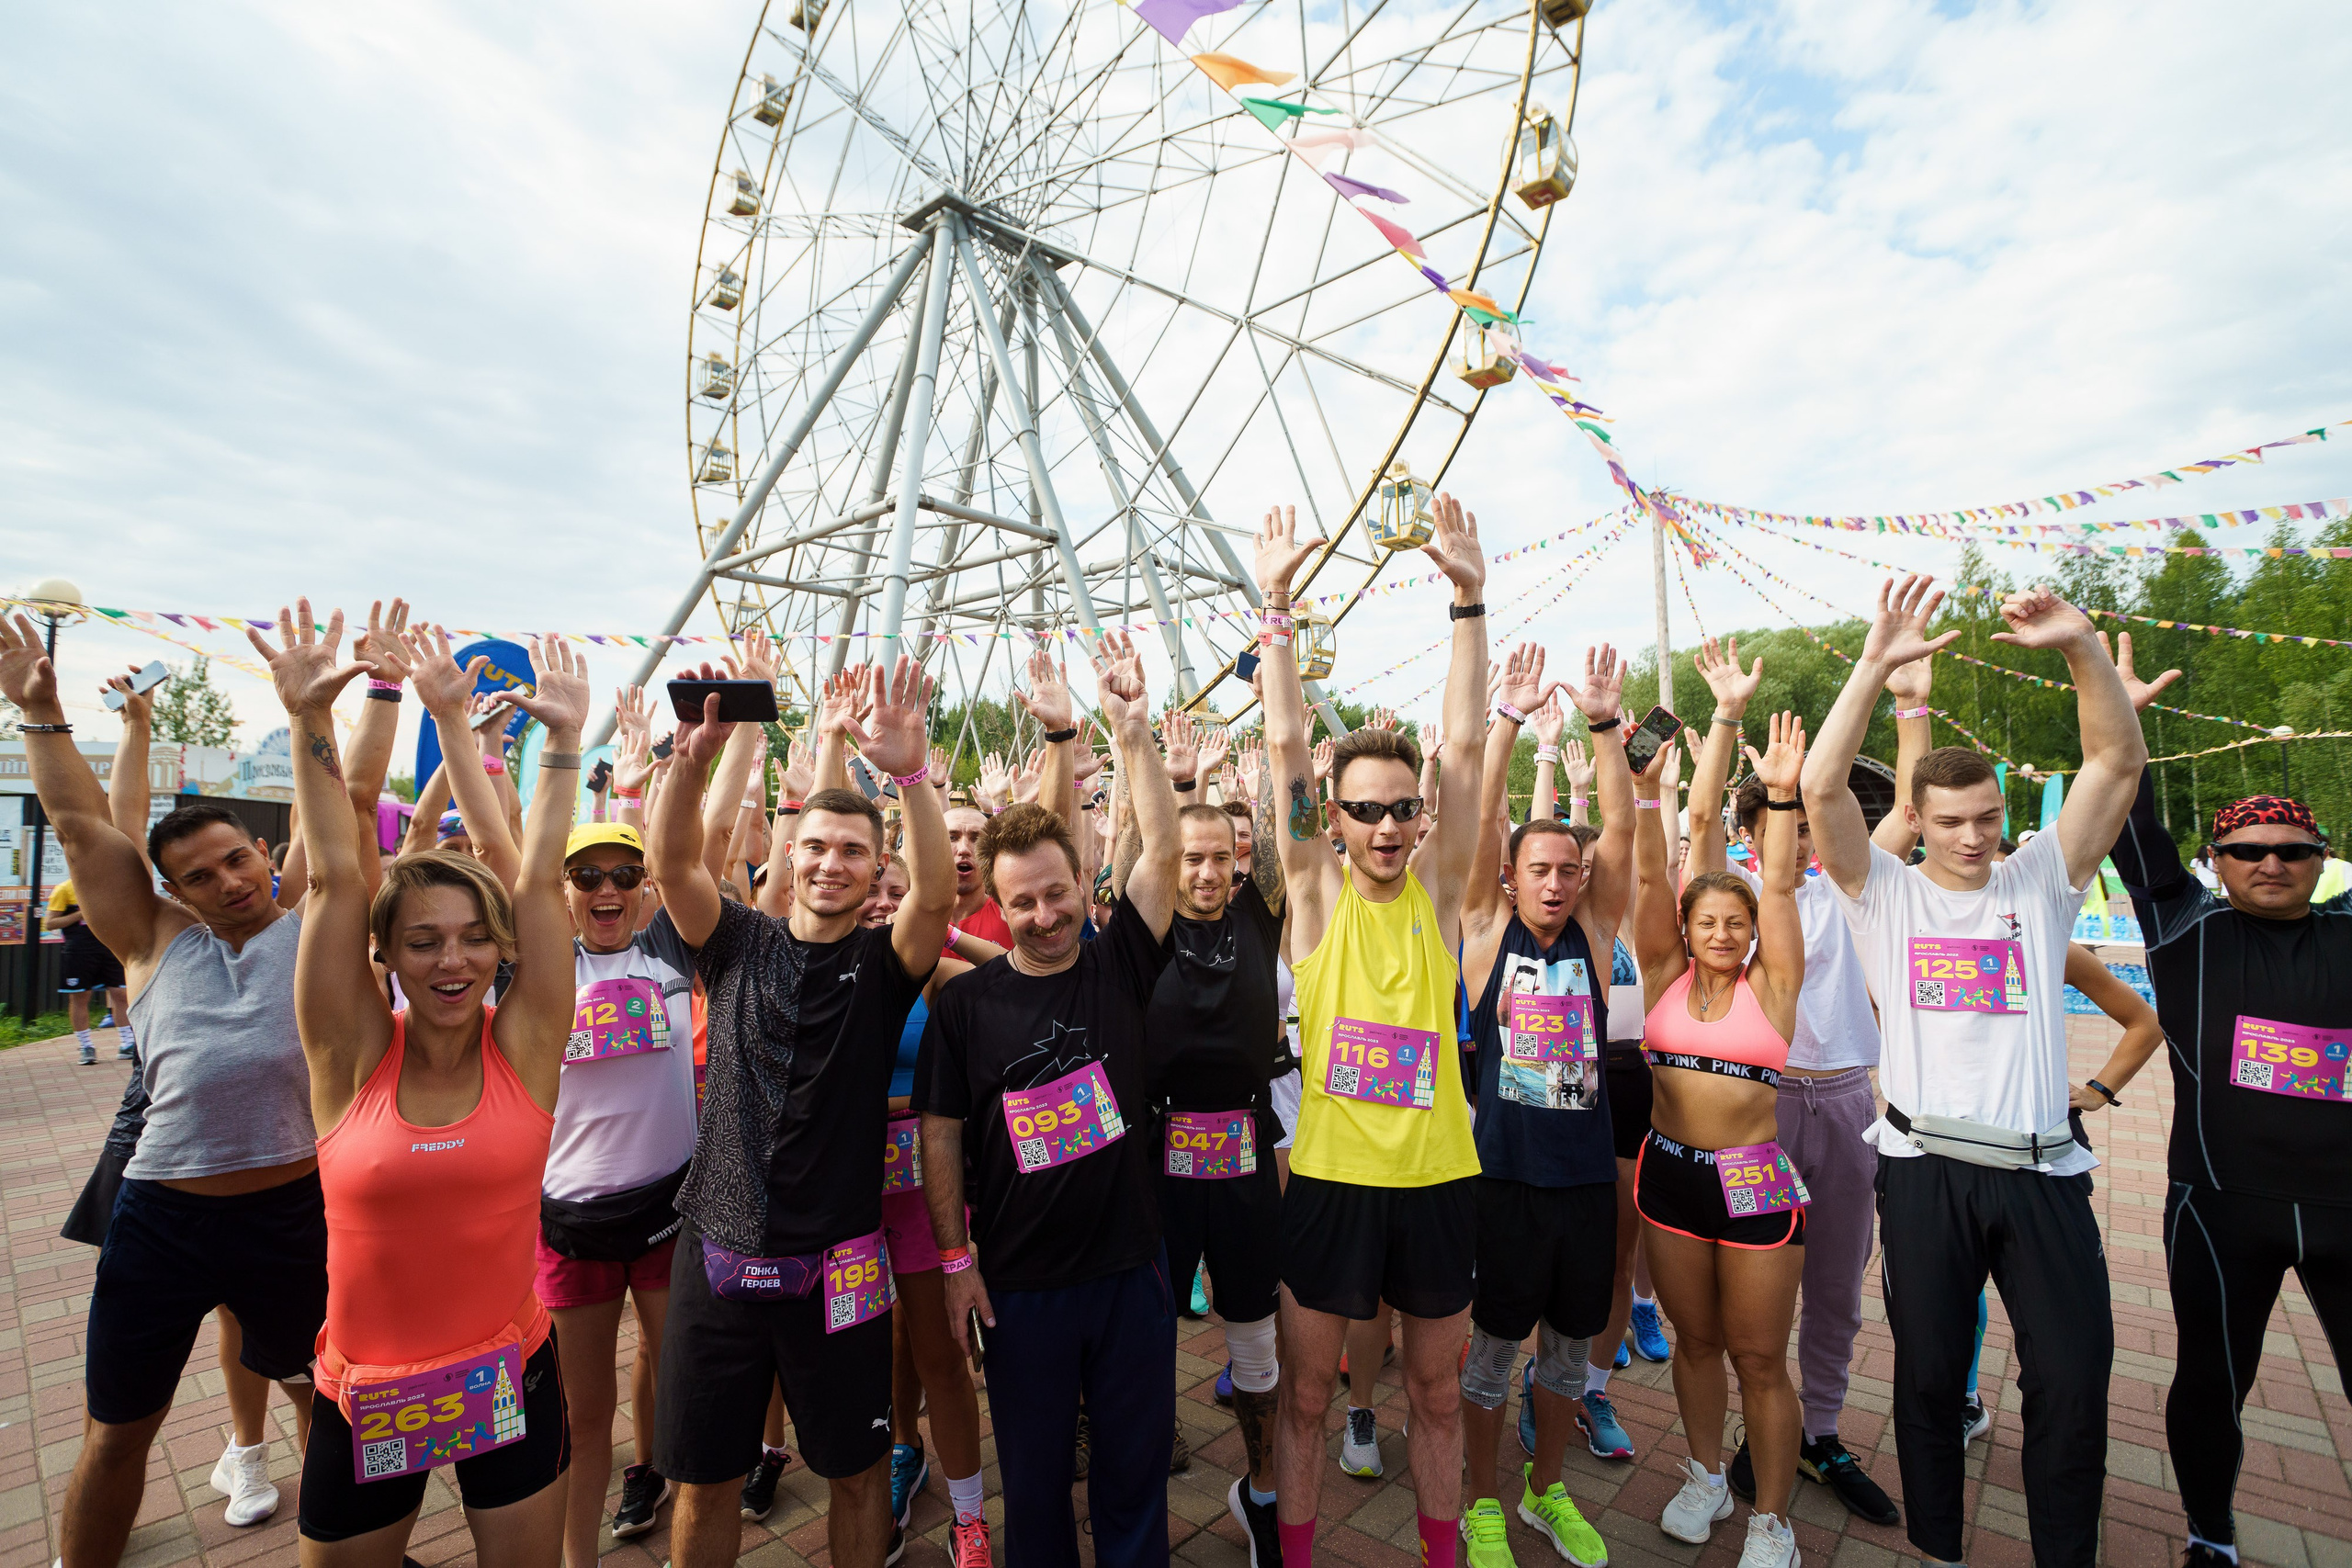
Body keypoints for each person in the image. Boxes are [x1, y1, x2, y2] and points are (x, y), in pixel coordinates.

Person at [1, 609, 394, 1566]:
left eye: (236, 859)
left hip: (294, 1217)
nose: (227, 881)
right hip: (162, 1220)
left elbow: (352, 801)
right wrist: (41, 714)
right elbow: (82, 827)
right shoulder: (152, 941)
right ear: (172, 891)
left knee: (328, 1409)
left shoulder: (311, 926)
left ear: (264, 851)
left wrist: (321, 709)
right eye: (200, 876)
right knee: (117, 1434)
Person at [1801, 575, 2143, 1568]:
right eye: (1950, 820)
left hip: (2041, 1173)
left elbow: (2115, 761)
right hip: (1923, 1172)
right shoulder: (1883, 894)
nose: (1972, 837)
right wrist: (1873, 665)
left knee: (2071, 1382)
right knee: (1927, 1379)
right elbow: (1820, 790)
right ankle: (1942, 1549)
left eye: (1987, 817)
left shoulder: (2040, 882)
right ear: (1916, 817)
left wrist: (2079, 645)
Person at [264, 612, 586, 1559]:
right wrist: (308, 720)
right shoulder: (350, 1057)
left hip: (509, 1375)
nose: (454, 961)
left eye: (475, 938)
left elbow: (539, 881)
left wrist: (563, 743)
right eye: (424, 941)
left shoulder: (525, 1047)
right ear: (388, 956)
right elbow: (334, 876)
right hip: (368, 1394)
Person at [647, 654, 952, 1568]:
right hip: (718, 1252)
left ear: (876, 869)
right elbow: (670, 862)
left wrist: (911, 776)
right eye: (815, 846)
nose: (830, 863)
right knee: (704, 1481)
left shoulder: (885, 967)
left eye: (853, 851)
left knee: (857, 1471)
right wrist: (692, 763)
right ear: (789, 854)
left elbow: (937, 895)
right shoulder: (735, 939)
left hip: (840, 1263)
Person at [913, 631, 1182, 1567]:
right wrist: (955, 1260)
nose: (1044, 915)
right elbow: (940, 1133)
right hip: (1020, 1286)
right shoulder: (967, 1005)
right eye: (1022, 903)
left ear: (1081, 883)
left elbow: (1161, 854)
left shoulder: (1119, 968)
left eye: (1057, 894)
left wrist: (1132, 728)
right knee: (1031, 1484)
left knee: (1132, 1471)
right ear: (998, 900)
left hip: (1129, 1270)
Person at [1260, 494, 1488, 1568]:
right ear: (1334, 819)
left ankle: (1443, 1555)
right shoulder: (1314, 895)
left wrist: (1468, 602)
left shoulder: (1438, 893)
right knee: (1307, 1396)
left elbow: (1467, 745)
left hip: (1438, 1182)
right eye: (1364, 810)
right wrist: (1275, 608)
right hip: (1330, 1184)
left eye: (1402, 808)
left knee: (1436, 1394)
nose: (1387, 826)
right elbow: (1284, 744)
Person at [2092, 635, 2352, 1568]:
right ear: (2217, 858)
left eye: (2291, 851)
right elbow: (2126, 819)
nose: (2270, 863)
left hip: (2344, 1207)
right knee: (2211, 1381)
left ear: (2320, 857)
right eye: (2247, 850)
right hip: (2218, 1206)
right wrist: (2118, 718)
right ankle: (2211, 1536)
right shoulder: (2182, 927)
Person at [1685, 637, 1914, 1529]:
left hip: (1849, 1102)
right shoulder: (1737, 900)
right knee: (1754, 1286)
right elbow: (1700, 821)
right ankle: (1763, 1425)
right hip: (1762, 1112)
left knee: (1837, 1285)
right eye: (1785, 822)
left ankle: (1818, 1431)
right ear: (1755, 835)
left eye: (1814, 821)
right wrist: (1725, 714)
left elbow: (1904, 814)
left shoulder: (1859, 889)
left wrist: (1909, 703)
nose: (1804, 836)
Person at [1453, 640, 1632, 1568]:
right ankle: (1481, 1502)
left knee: (1565, 1357)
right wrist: (1509, 721)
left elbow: (1623, 836)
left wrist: (1605, 725)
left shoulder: (1595, 938)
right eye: (1539, 869)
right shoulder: (1486, 934)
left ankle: (1545, 1489)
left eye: (1569, 869)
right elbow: (1480, 816)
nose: (1556, 882)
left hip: (1583, 1187)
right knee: (1490, 1357)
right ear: (1510, 876)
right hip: (1504, 1185)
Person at [1630, 712, 1812, 1568]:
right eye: (1706, 921)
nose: (1722, 934)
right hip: (1670, 1175)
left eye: (1736, 923)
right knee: (1696, 1342)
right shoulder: (1662, 976)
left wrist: (1781, 796)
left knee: (1761, 1359)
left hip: (1753, 1181)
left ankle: (1773, 1522)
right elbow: (1649, 869)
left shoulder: (1772, 987)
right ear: (1686, 926)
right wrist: (1645, 795)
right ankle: (1706, 1476)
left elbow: (1780, 887)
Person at [1112, 705, 1289, 1566]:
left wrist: (1269, 768)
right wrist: (1138, 747)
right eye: (1191, 856)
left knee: (1256, 1337)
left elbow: (1288, 840)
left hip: (1247, 1154)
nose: (1209, 870)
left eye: (1222, 856)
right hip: (1158, 1158)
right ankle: (1138, 1505)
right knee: (1147, 1341)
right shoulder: (1143, 933)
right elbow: (1131, 848)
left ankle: (1262, 1495)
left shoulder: (1261, 914)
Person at [540, 820, 699, 1560]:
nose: (607, 889)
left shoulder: (669, 946)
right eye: (587, 876)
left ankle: (686, 1532)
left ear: (646, 887)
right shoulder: (540, 967)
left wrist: (693, 765)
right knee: (583, 1415)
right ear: (563, 889)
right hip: (574, 1222)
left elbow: (704, 839)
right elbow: (504, 856)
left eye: (625, 875)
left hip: (669, 1207)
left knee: (681, 1390)